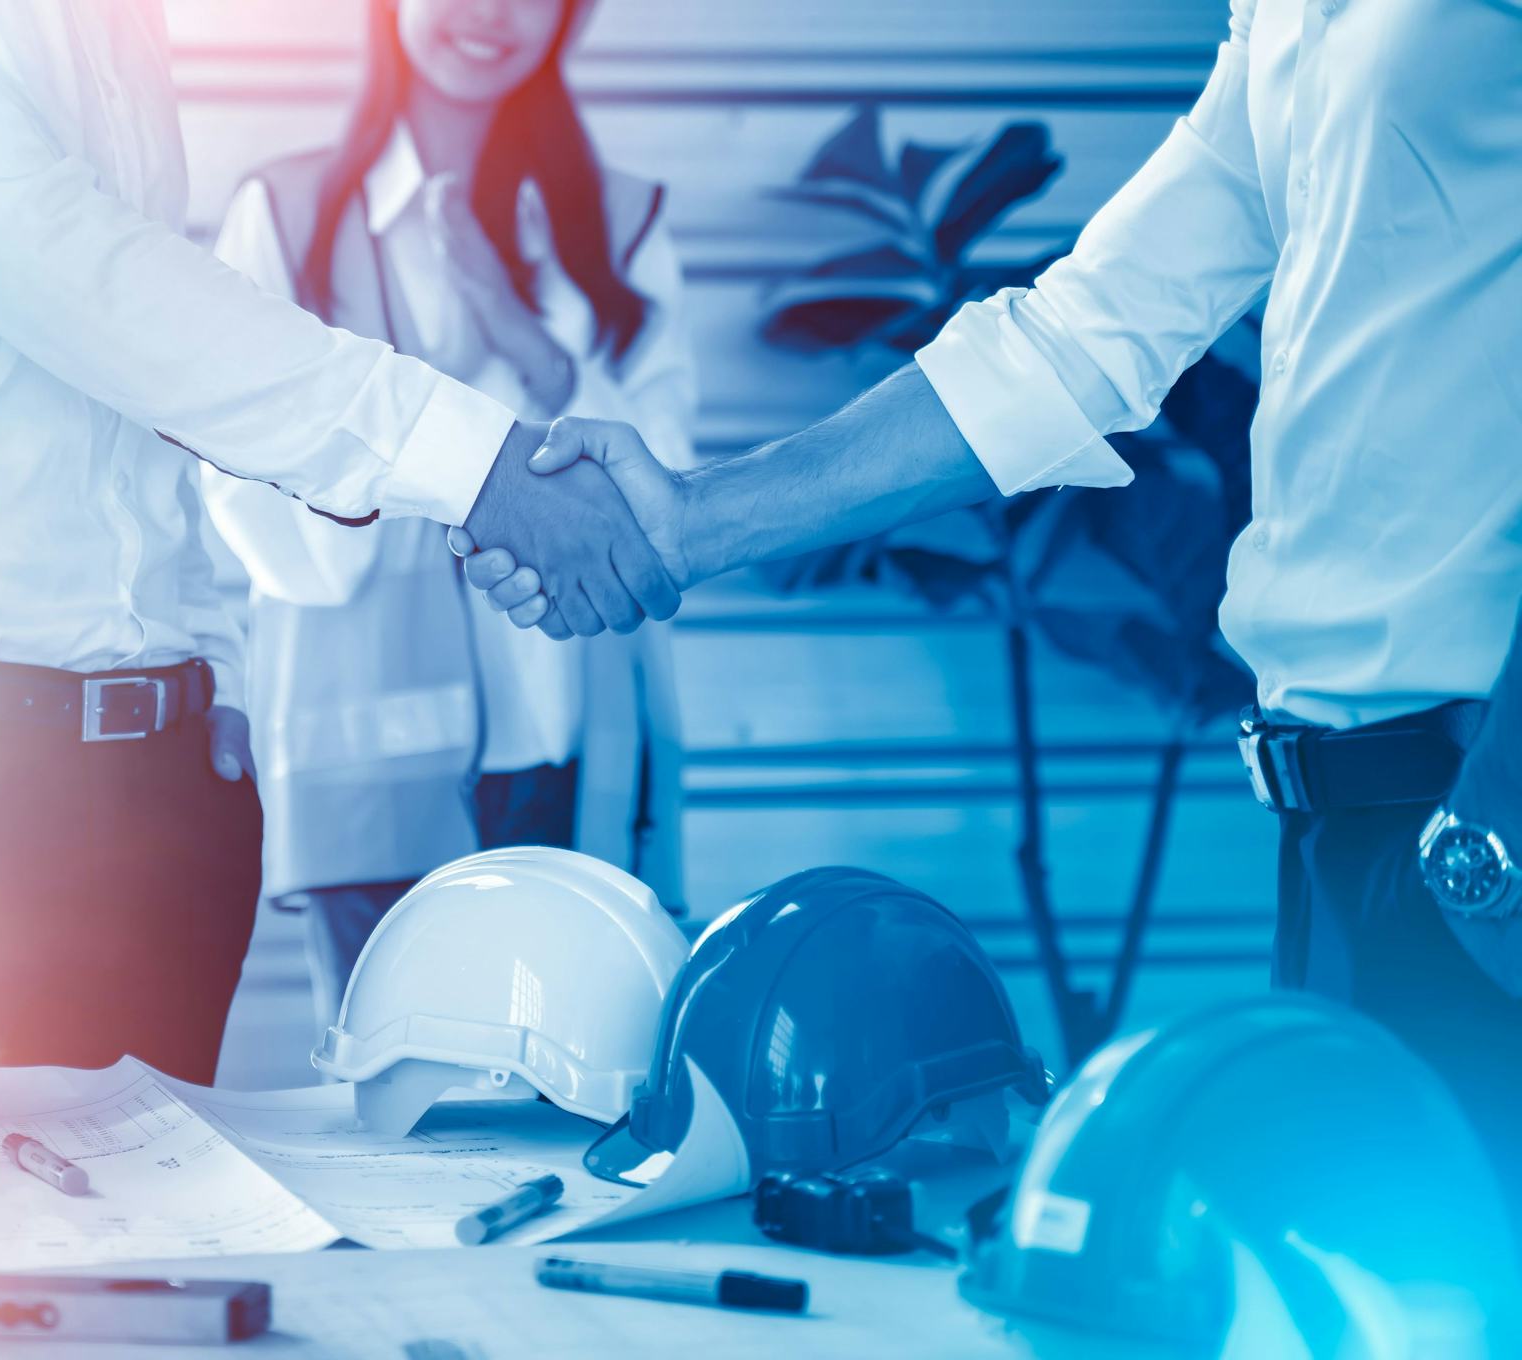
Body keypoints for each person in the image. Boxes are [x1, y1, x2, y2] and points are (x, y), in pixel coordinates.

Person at [471, 0, 1522, 1223]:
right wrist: (698, 518)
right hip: (1341, 823)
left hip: (1483, 794)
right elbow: (1084, 333)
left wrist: (1501, 802)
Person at [0, 0, 678, 1108]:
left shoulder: (124, 39)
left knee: (149, 1236)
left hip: (149, 775)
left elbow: (126, 409)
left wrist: (209, 655)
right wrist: (477, 464)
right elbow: (97, 289)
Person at [196, 0, 693, 1033]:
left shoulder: (624, 218)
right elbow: (235, 468)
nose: (493, 14)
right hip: (366, 734)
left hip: (569, 730)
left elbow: (668, 484)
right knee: (395, 1078)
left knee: (587, 1063)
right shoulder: (287, 213)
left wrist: (520, 332)